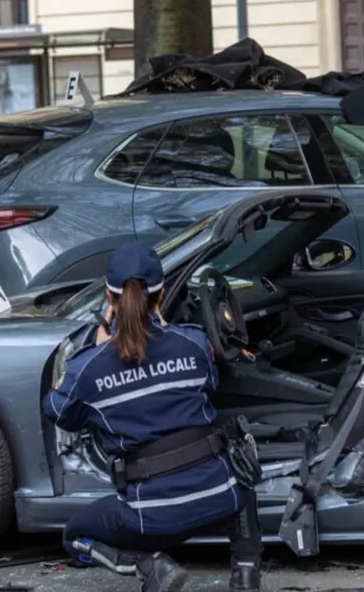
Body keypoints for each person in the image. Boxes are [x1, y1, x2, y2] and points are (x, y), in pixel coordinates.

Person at [42, 243, 263, 592]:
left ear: (108, 298)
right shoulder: (194, 343)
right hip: (219, 499)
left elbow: (58, 412)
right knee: (239, 467)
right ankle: (247, 573)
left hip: (151, 519)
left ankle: (149, 565)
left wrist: (95, 350)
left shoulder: (89, 368)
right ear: (160, 295)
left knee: (75, 535)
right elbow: (211, 383)